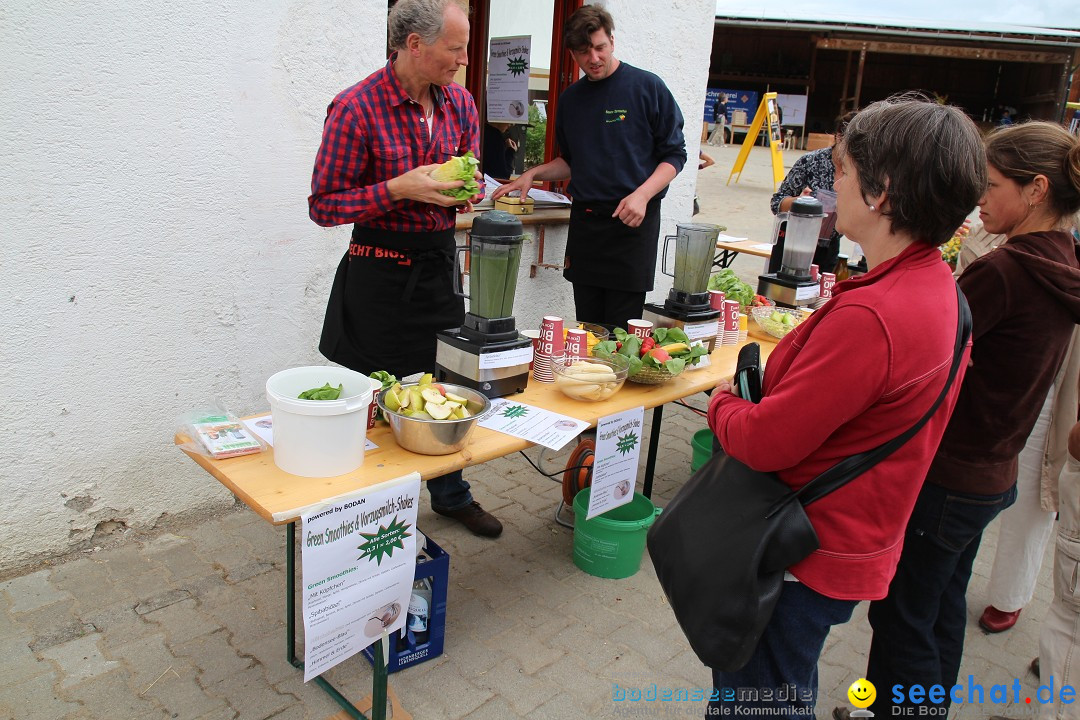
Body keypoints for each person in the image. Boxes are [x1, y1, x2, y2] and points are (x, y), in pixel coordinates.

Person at [706, 96, 984, 719]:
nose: (836, 187)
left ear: (882, 192)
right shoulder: (935, 284)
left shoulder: (876, 314)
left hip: (803, 546)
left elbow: (766, 442)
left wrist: (722, 403)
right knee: (781, 684)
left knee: (761, 699)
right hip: (852, 534)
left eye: (845, 172)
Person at [862, 120, 1080, 718]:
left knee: (902, 615)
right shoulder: (1060, 265)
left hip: (947, 476)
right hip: (991, 472)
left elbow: (924, 349)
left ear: (1036, 190)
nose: (980, 197)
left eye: (990, 184)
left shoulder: (1006, 272)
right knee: (937, 611)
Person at [307, 0, 502, 538]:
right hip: (378, 275)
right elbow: (323, 206)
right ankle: (376, 513)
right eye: (456, 48)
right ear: (414, 44)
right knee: (380, 393)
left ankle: (450, 494)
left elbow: (468, 181)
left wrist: (464, 193)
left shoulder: (460, 103)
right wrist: (398, 188)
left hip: (438, 266)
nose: (464, 61)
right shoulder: (355, 108)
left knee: (444, 384)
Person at [491, 5, 686, 331]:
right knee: (590, 330)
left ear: (612, 40)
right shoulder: (571, 100)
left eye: (600, 48)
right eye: (583, 52)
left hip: (632, 225)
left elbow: (675, 156)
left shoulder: (647, 88)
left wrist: (642, 195)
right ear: (572, 53)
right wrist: (533, 173)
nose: (593, 58)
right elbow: (571, 161)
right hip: (587, 227)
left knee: (622, 336)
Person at [770, 111, 857, 275]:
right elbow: (777, 203)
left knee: (821, 298)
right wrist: (800, 202)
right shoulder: (811, 161)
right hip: (794, 243)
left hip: (829, 246)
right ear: (839, 137)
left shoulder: (859, 170)